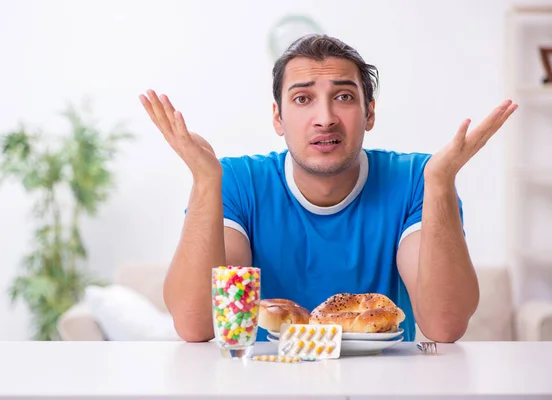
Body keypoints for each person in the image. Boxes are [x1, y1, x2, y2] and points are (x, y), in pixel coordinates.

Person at [138, 34, 518, 343]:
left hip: (385, 386)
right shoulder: (236, 182)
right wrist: (205, 183)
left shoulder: (419, 179)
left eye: (344, 97)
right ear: (278, 117)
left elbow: (444, 327)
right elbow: (196, 325)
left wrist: (440, 184)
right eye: (302, 99)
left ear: (369, 113)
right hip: (264, 383)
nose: (325, 119)